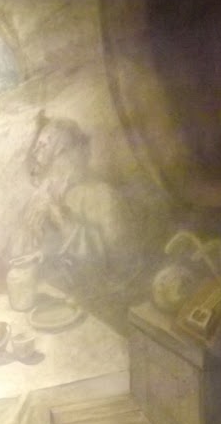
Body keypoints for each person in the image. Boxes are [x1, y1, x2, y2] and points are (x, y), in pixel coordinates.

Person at [17, 113, 143, 298]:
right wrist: (39, 250)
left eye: (50, 150)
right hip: (53, 297)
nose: (40, 158)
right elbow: (24, 254)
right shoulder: (40, 198)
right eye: (40, 150)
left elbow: (120, 264)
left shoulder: (103, 196)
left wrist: (61, 218)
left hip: (100, 299)